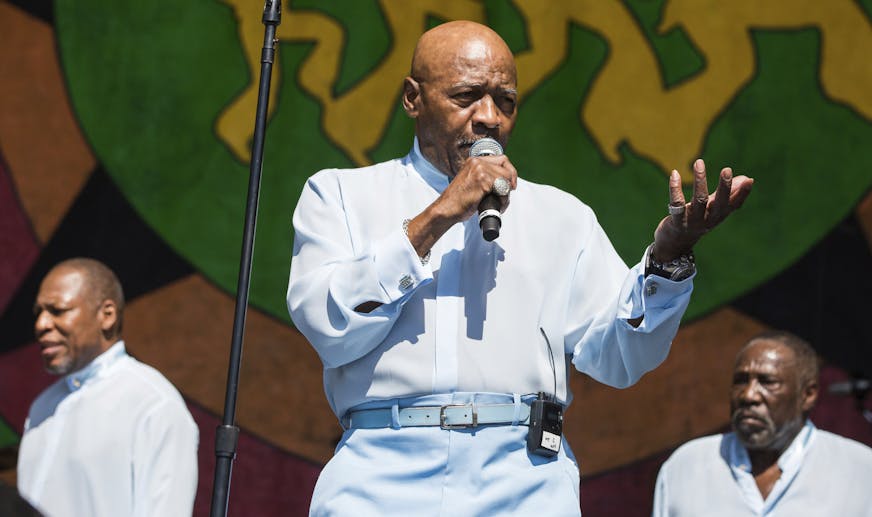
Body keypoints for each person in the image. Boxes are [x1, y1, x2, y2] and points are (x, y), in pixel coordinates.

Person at [287, 20, 753, 515]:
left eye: (505, 100)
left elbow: (619, 358)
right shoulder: (340, 194)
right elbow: (328, 326)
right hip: (380, 478)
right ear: (412, 98)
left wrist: (670, 257)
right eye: (467, 96)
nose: (488, 116)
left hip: (523, 481)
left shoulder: (561, 216)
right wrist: (441, 213)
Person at [17, 258, 199, 517]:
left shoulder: (153, 405)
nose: (41, 325)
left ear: (107, 315)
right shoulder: (42, 407)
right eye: (38, 313)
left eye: (57, 310)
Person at [653, 331, 872, 516]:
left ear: (808, 394)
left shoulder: (860, 472)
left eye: (768, 382)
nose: (749, 395)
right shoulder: (685, 467)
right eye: (741, 380)